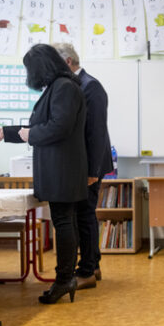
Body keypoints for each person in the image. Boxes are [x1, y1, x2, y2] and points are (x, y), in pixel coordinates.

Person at [0, 44, 88, 304]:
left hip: (62, 169)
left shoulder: (64, 87)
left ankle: (65, 279)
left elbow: (58, 127)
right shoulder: (59, 86)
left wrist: (30, 134)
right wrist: (8, 132)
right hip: (60, 167)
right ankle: (65, 279)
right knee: (65, 222)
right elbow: (43, 125)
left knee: (64, 223)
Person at [53, 43, 113, 290]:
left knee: (84, 215)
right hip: (80, 164)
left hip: (89, 165)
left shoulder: (90, 86)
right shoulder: (75, 86)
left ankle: (87, 271)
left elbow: (97, 131)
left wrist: (91, 171)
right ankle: (93, 265)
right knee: (82, 215)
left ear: (67, 62)